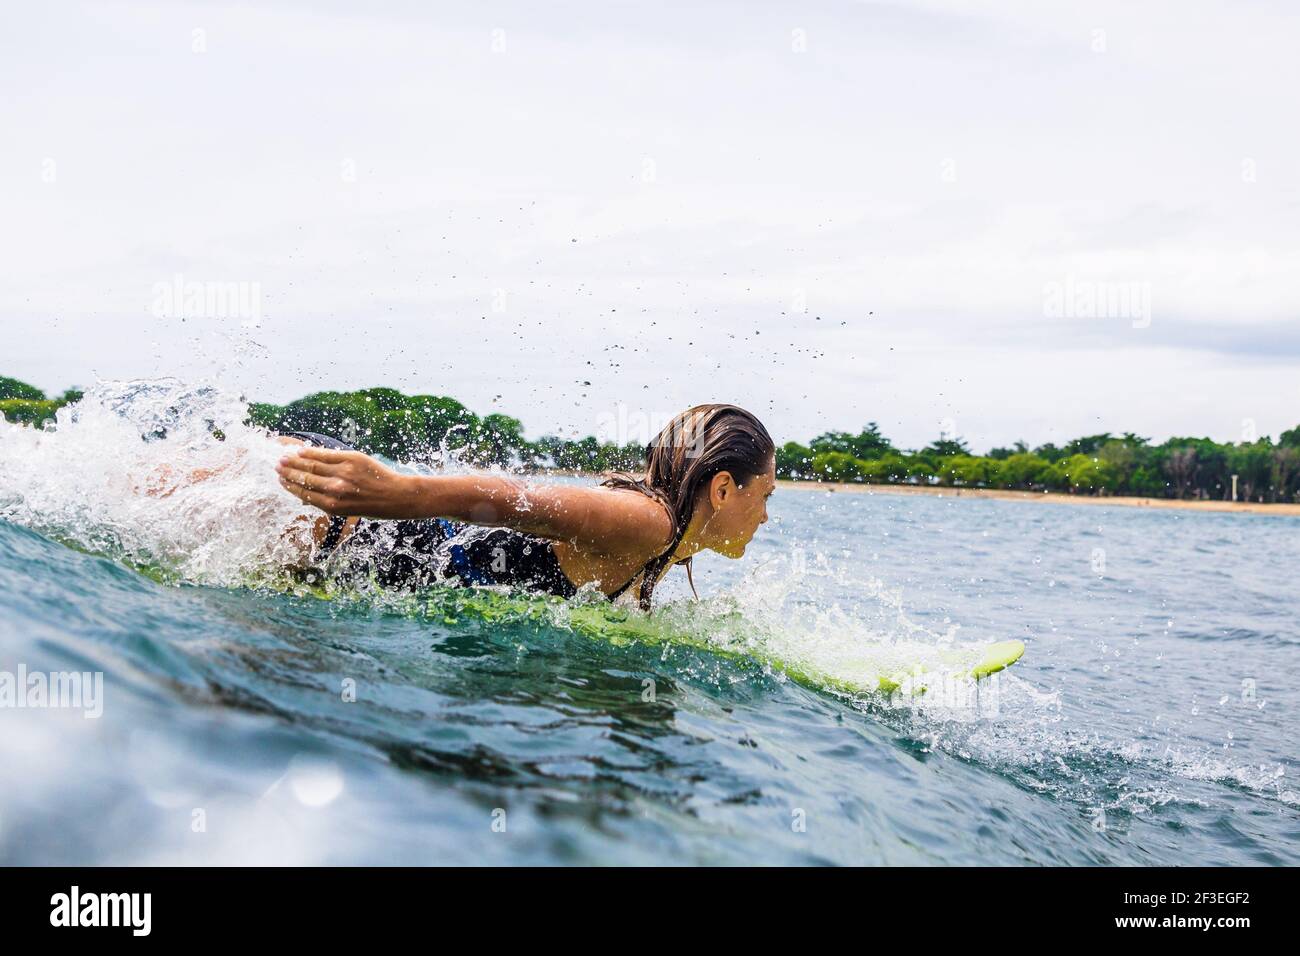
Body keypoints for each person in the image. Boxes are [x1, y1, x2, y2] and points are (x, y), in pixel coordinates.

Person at [274, 404, 775, 610]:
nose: (766, 516)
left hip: (335, 541)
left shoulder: (668, 542)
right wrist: (399, 493)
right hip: (333, 518)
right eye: (766, 495)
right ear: (724, 488)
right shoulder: (649, 522)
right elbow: (519, 499)